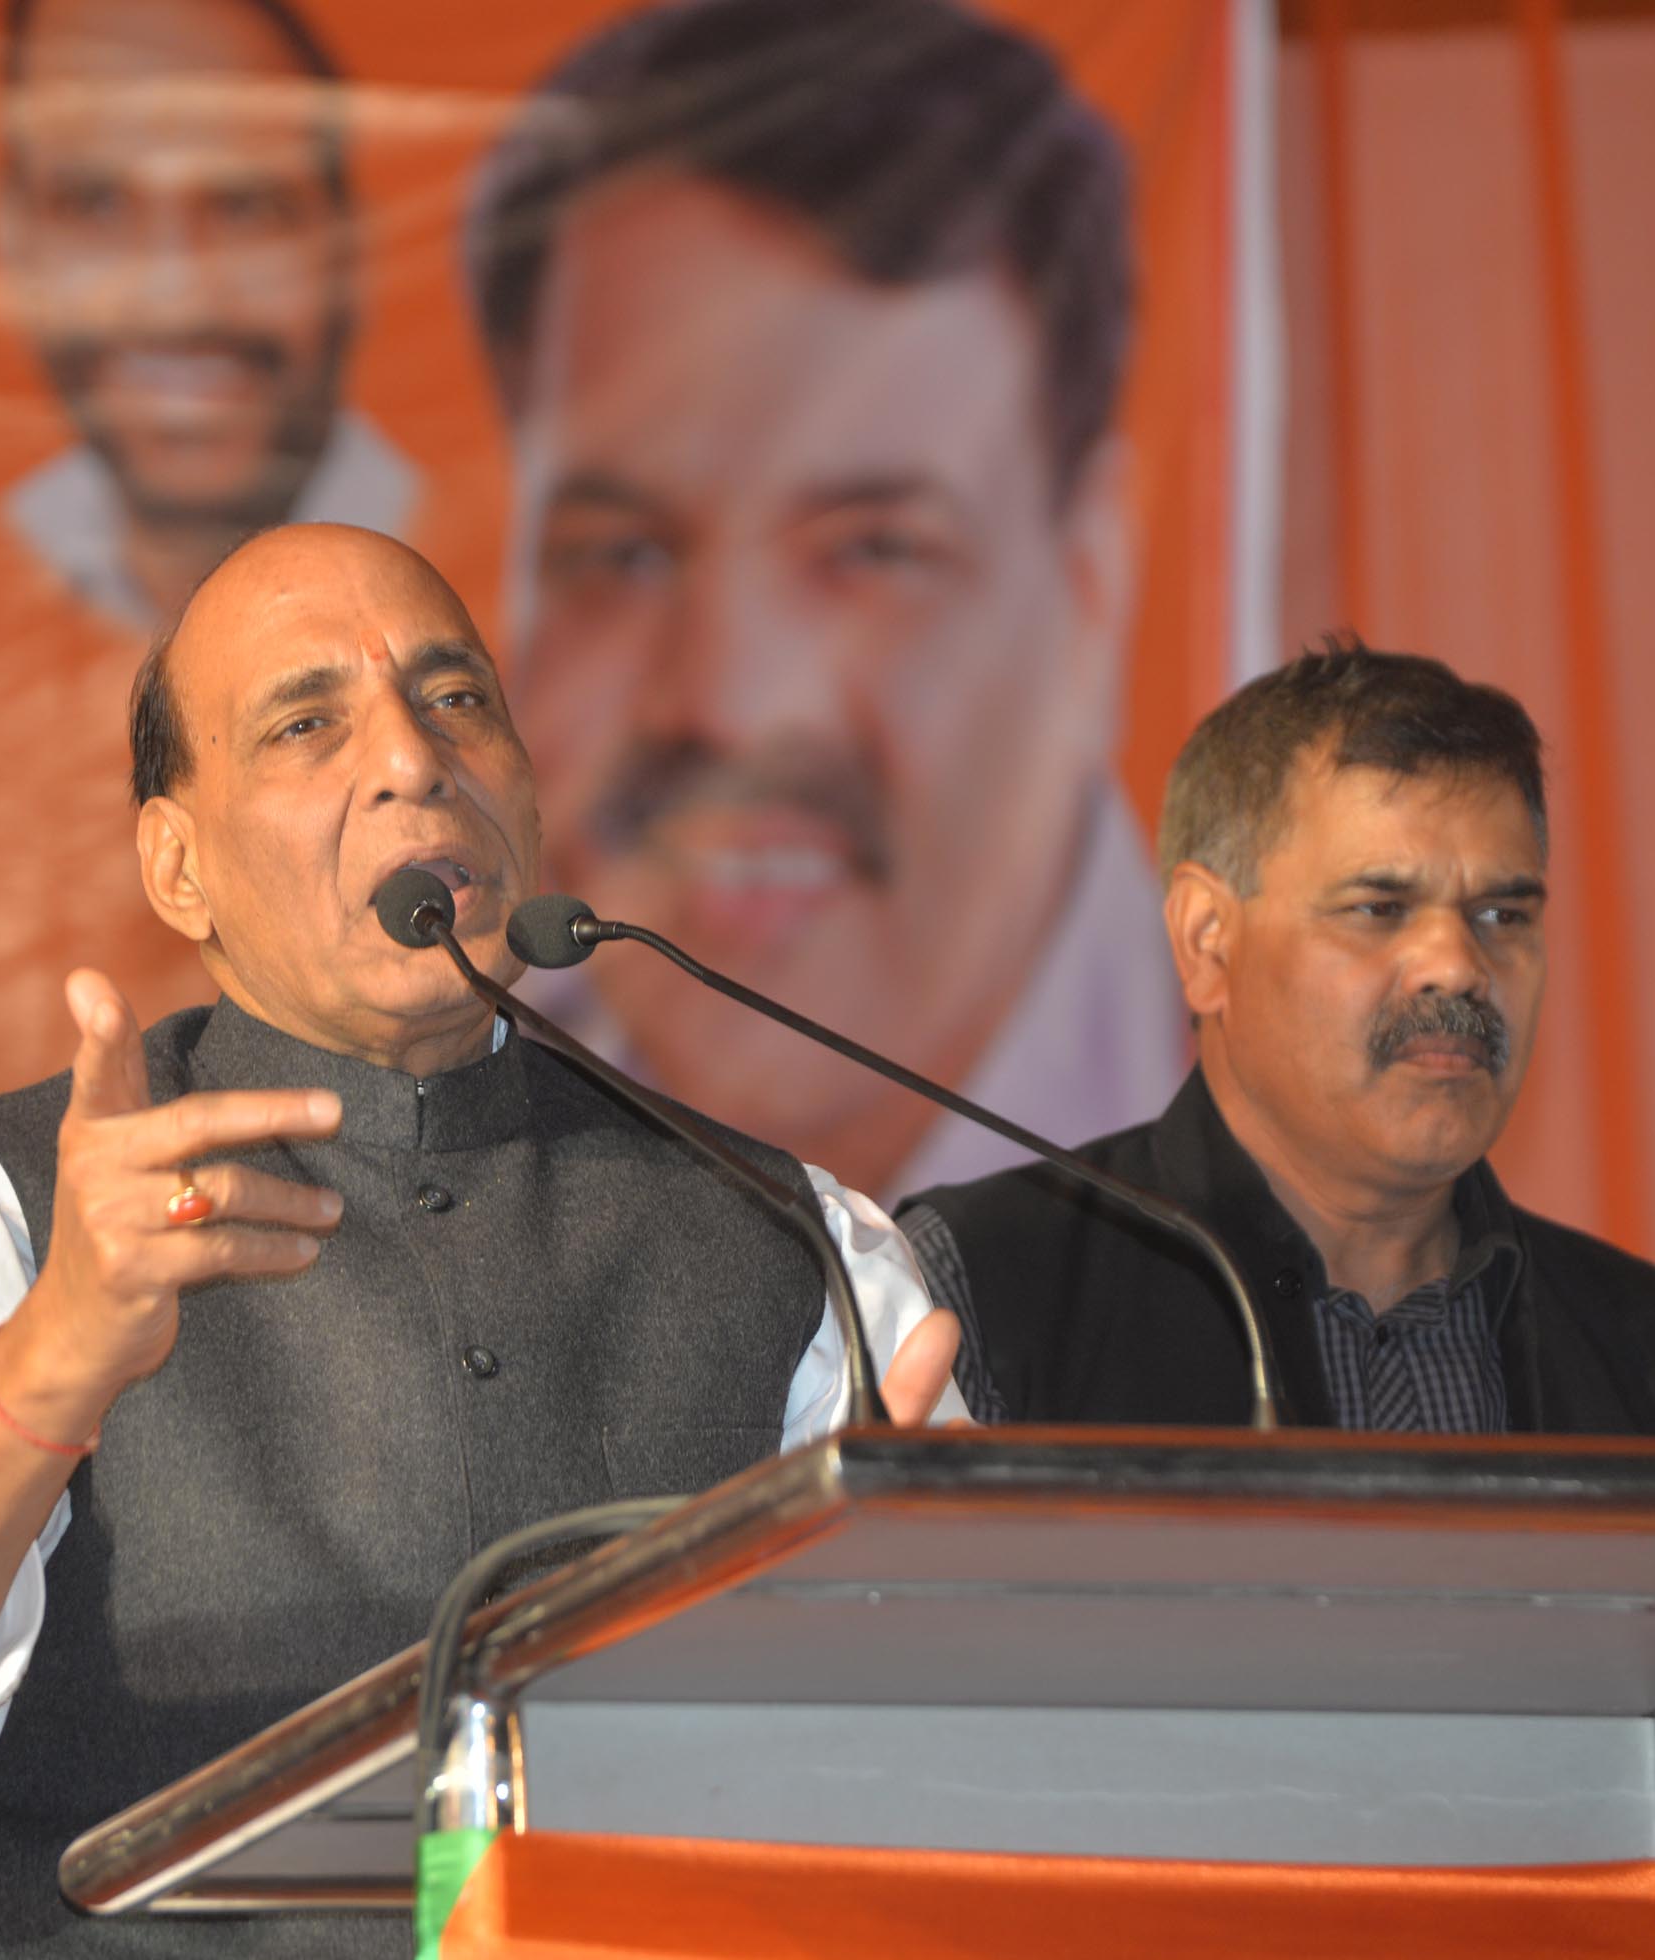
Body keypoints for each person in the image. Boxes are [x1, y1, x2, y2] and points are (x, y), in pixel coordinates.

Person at [0, 524, 959, 1960]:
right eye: (305, 723)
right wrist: (54, 1359)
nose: (411, 759)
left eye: (458, 699)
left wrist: (907, 1652)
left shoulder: (797, 1240)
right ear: (179, 864)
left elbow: (977, 1786)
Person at [896, 639, 1655, 1960]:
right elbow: (898, 1826)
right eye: (1380, 908)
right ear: (1205, 942)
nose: (1455, 966)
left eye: (1505, 914)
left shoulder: (1650, 1350)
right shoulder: (986, 1288)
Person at [459, 0, 1184, 1201]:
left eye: (872, 552)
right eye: (622, 554)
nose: (731, 704)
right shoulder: (423, 1154)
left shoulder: (1273, 1188)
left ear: (1086, 594)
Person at [0, 0, 413, 626]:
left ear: (350, 239)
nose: (178, 300)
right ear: (10, 234)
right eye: (97, 204)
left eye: (247, 207)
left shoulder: (489, 554)